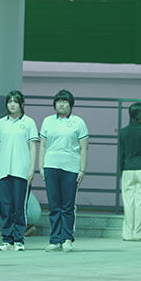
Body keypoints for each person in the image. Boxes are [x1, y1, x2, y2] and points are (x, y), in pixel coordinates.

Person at [38, 90, 89, 252]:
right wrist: (41, 166)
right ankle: (54, 240)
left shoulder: (78, 122)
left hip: (71, 167)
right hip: (51, 166)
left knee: (67, 205)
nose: (61, 104)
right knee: (54, 205)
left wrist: (82, 170)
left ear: (71, 104)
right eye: (58, 101)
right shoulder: (47, 121)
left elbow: (84, 148)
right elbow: (43, 146)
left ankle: (67, 239)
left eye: (65, 101)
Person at [0, 90, 39, 251]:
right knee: (6, 206)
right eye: (9, 101)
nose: (12, 104)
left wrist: (32, 169)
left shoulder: (29, 122)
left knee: (20, 206)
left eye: (15, 101)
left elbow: (33, 147)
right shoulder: (2, 123)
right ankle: (7, 239)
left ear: (22, 104)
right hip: (4, 171)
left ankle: (19, 239)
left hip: (22, 171)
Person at [118, 102, 141, 242]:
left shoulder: (123, 131)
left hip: (128, 169)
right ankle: (139, 234)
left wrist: (121, 170)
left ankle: (127, 234)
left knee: (128, 203)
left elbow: (121, 154)